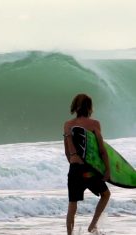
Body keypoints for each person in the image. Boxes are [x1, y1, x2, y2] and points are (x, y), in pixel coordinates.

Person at [63, 94, 111, 235]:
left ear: (75, 107)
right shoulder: (94, 124)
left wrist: (74, 164)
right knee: (105, 194)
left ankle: (69, 234)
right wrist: (107, 170)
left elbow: (67, 152)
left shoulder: (67, 125)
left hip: (74, 169)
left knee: (72, 203)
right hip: (89, 170)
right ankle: (92, 226)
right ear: (89, 107)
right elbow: (101, 150)